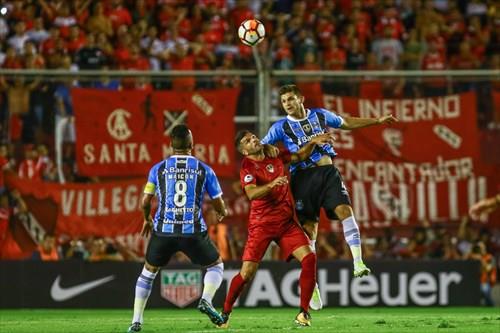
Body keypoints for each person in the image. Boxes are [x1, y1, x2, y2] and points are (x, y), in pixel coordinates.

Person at [262, 84, 398, 309]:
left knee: (345, 210)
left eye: (290, 99)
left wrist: (377, 120)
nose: (286, 103)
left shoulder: (320, 115)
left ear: (301, 99)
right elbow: (264, 147)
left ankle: (358, 262)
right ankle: (312, 283)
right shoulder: (280, 127)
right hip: (302, 178)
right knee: (310, 230)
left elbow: (346, 122)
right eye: (284, 101)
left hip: (328, 172)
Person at [218, 130, 335, 328]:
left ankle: (303, 313)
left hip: (286, 224)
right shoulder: (247, 166)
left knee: (309, 257)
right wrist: (272, 184)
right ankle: (225, 313)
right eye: (248, 141)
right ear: (244, 151)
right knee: (246, 274)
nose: (253, 139)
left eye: (253, 136)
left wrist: (313, 142)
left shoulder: (275, 154)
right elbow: (252, 194)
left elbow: (299, 155)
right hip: (261, 225)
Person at [127, 125, 228, 333]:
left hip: (163, 230)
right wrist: (221, 212)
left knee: (148, 271)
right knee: (216, 266)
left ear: (170, 144)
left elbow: (145, 201)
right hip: (192, 232)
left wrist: (147, 218)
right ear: (192, 144)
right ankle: (206, 300)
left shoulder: (158, 169)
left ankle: (136, 321)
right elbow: (218, 201)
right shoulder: (204, 169)